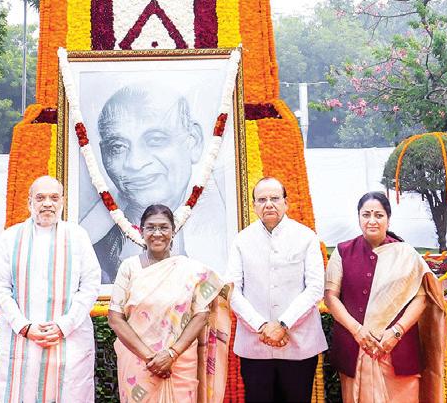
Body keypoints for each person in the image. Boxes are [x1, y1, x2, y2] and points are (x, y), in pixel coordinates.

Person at [80, 85, 227, 282]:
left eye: (155, 140)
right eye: (117, 147)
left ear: (193, 141)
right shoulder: (95, 250)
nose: (135, 163)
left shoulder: (228, 223)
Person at [0, 175, 102, 403]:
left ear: (62, 202)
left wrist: (63, 325)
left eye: (53, 197)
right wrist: (24, 326)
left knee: (70, 393)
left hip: (69, 340)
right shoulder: (10, 238)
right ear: (30, 202)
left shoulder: (77, 236)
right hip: (22, 341)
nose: (47, 203)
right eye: (40, 198)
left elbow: (90, 285)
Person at [324, 191, 447, 403]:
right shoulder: (343, 252)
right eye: (366, 215)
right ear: (359, 217)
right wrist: (357, 331)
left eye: (378, 215)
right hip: (356, 350)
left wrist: (396, 332)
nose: (372, 220)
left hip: (398, 351)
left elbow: (422, 298)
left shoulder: (406, 253)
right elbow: (330, 297)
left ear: (388, 218)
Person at [107, 203, 230, 403]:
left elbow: (201, 314)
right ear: (142, 230)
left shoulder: (189, 269)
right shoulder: (129, 268)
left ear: (173, 231)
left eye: (164, 227)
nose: (157, 233)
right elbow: (115, 318)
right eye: (151, 227)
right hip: (139, 363)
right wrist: (151, 358)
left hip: (180, 362)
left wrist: (172, 354)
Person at [225, 176, 327, 403]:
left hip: (298, 343)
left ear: (286, 203)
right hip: (255, 344)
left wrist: (282, 325)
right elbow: (232, 290)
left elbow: (315, 288)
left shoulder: (306, 237)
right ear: (254, 206)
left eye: (274, 198)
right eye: (262, 199)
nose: (268, 204)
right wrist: (262, 326)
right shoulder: (242, 240)